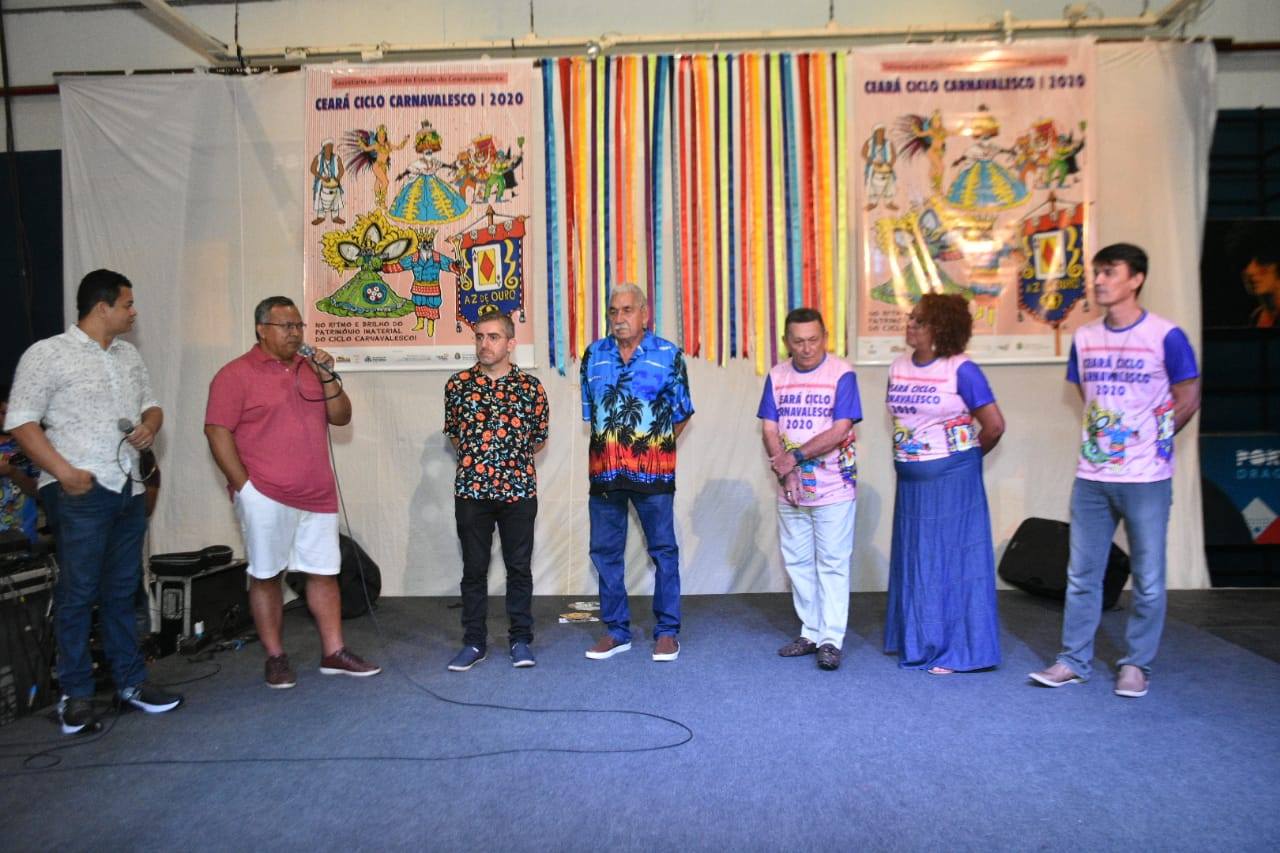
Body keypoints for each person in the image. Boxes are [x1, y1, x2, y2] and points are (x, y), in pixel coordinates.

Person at [5, 269, 182, 734]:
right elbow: (21, 422)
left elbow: (152, 405)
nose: (134, 312)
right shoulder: (47, 354)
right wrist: (63, 472)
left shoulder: (128, 355)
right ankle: (75, 695)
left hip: (128, 487)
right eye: (128, 304)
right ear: (101, 307)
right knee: (78, 593)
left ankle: (130, 683)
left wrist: (150, 426)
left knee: (123, 590)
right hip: (78, 490)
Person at [1030, 243, 1201, 698]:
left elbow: (1189, 395)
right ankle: (1073, 660)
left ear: (1136, 279)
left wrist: (1155, 439)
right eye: (1097, 272)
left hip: (1146, 478)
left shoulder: (1166, 335)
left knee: (1148, 578)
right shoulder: (1085, 337)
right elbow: (1088, 396)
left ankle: (1136, 664)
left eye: (1110, 272)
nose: (1100, 280)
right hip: (1093, 477)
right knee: (1081, 574)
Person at [204, 296, 381, 689]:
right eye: (286, 326)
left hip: (317, 493)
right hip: (265, 493)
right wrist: (245, 488)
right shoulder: (235, 374)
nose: (295, 333)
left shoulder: (310, 369)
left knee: (324, 573)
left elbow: (342, 417)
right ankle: (276, 657)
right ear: (261, 330)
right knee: (267, 575)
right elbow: (217, 432)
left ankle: (334, 651)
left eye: (299, 326)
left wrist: (327, 376)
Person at [883, 293, 1005, 675]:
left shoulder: (962, 370)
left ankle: (957, 650)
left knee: (949, 564)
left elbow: (994, 426)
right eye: (911, 317)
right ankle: (919, 639)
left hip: (952, 483)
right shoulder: (898, 367)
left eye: (920, 320)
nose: (910, 324)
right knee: (919, 561)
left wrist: (960, 463)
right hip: (912, 485)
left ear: (941, 328)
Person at [580, 283, 694, 662]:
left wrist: (653, 444)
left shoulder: (668, 355)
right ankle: (617, 631)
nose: (619, 318)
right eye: (613, 311)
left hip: (653, 474)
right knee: (605, 552)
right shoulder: (594, 355)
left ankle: (667, 631)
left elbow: (682, 413)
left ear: (645, 313)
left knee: (663, 551)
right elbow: (592, 414)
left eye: (627, 310)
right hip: (605, 473)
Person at [442, 311, 548, 671]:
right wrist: (480, 462)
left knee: (519, 568)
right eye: (479, 336)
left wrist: (508, 463)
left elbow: (537, 439)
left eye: (493, 337)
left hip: (518, 491)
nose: (484, 344)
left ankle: (521, 640)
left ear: (510, 343)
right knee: (474, 569)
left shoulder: (531, 388)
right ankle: (474, 642)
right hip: (472, 492)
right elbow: (455, 435)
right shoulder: (457, 386)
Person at [758, 308, 862, 671]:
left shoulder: (842, 373)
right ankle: (811, 632)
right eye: (798, 341)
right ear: (786, 341)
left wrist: (794, 457)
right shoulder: (777, 376)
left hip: (834, 486)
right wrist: (784, 470)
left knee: (832, 563)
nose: (806, 348)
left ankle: (831, 639)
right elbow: (769, 428)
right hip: (791, 488)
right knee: (798, 561)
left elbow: (841, 428)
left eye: (813, 340)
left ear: (825, 338)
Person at [0, 388, 40, 545]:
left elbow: (40, 493)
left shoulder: (33, 446)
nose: (8, 419)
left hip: (22, 533)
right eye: (3, 413)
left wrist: (12, 472)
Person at [309, 138, 346, 226]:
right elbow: (312, 169)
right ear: (324, 148)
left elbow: (341, 170)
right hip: (321, 183)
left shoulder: (336, 158)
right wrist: (322, 178)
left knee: (336, 198)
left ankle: (335, 217)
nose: (330, 149)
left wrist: (337, 179)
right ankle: (321, 217)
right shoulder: (318, 157)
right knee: (320, 199)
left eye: (331, 147)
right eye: (328, 147)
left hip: (334, 183)